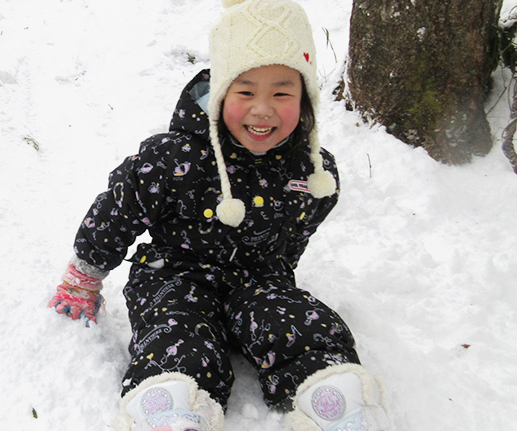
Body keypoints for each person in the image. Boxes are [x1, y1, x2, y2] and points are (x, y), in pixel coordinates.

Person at [48, 1, 392, 430]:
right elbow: (117, 211)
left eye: (281, 92)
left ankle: (336, 399)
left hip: (258, 280)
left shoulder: (312, 171)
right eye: (246, 91)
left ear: (304, 99)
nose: (262, 109)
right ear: (220, 92)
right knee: (177, 333)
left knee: (304, 323)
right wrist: (85, 273)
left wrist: (280, 276)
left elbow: (299, 230)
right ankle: (170, 407)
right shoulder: (174, 158)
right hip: (174, 274)